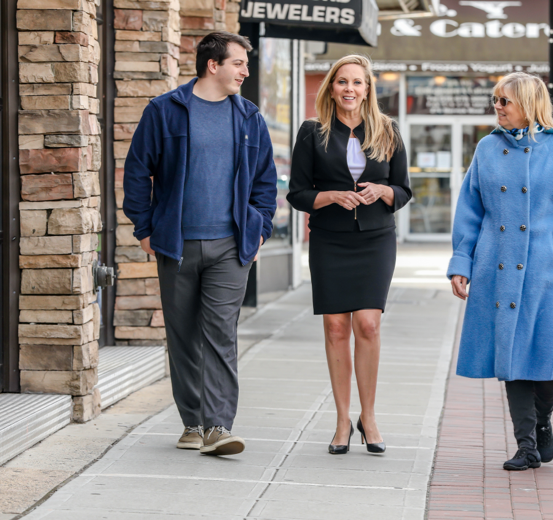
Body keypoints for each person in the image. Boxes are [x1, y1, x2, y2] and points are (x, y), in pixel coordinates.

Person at [122, 32, 277, 456]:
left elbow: (265, 181)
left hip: (231, 245)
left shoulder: (248, 117)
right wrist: (145, 228)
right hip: (176, 243)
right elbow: (138, 171)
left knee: (220, 334)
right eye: (239, 63)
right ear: (214, 65)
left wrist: (259, 228)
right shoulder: (165, 111)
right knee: (184, 336)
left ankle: (218, 426)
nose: (245, 71)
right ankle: (192, 421)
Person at [447, 72, 553, 471]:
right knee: (511, 356)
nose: (497, 107)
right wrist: (461, 261)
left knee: (546, 356)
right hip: (497, 266)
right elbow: (470, 209)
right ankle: (526, 445)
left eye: (505, 101)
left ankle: (543, 422)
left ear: (528, 105)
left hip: (546, 270)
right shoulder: (486, 149)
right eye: (495, 99)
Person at [287, 55, 412, 455]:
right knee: (336, 328)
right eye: (342, 82)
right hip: (330, 239)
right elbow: (297, 192)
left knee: (369, 326)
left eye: (357, 83)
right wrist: (329, 196)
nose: (350, 90)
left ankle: (368, 417)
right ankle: (343, 420)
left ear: (368, 89)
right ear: (331, 87)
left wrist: (383, 191)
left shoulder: (388, 130)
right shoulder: (312, 132)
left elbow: (404, 189)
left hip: (375, 239)